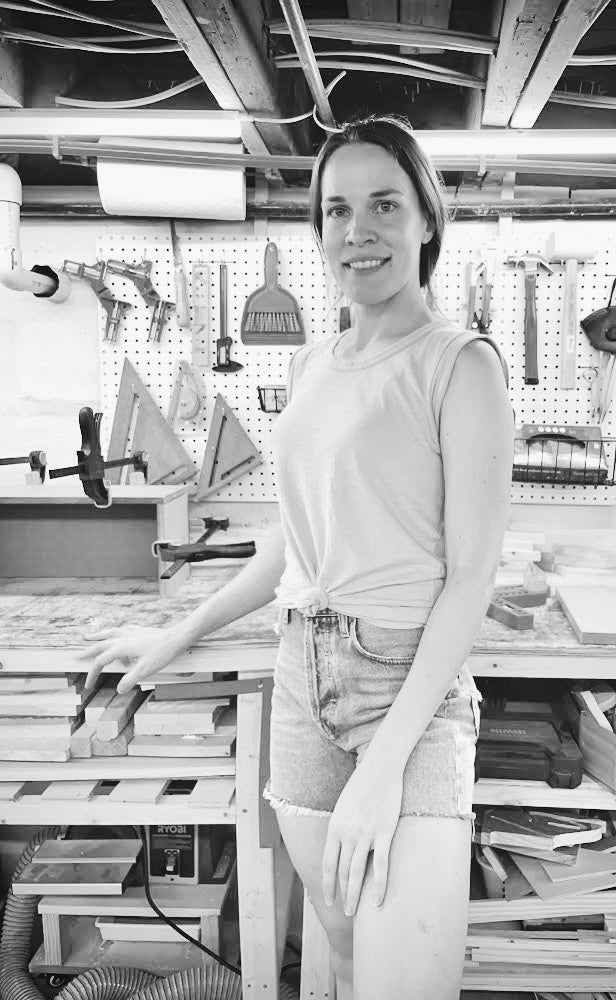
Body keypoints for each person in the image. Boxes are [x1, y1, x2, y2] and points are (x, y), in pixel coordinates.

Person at [81, 114, 514, 1000]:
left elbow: (471, 579)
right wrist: (172, 637)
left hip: (407, 692)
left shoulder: (459, 364)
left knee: (405, 983)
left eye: (385, 204)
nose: (359, 231)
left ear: (427, 220)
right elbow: (295, 540)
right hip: (302, 674)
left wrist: (387, 763)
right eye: (337, 209)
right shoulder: (318, 363)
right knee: (343, 956)